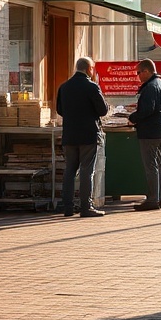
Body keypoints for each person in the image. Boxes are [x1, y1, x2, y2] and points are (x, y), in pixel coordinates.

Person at [55, 56, 109, 218]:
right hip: (88, 135)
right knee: (87, 170)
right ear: (89, 69)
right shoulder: (92, 87)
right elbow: (103, 110)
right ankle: (86, 206)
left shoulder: (64, 87)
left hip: (70, 135)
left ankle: (68, 207)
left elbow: (60, 110)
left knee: (70, 169)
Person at [128, 58, 161, 211]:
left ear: (146, 71)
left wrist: (132, 118)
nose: (138, 76)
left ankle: (153, 199)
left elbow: (146, 110)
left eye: (139, 73)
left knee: (151, 165)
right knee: (159, 164)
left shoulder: (150, 87)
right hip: (160, 130)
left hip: (150, 132)